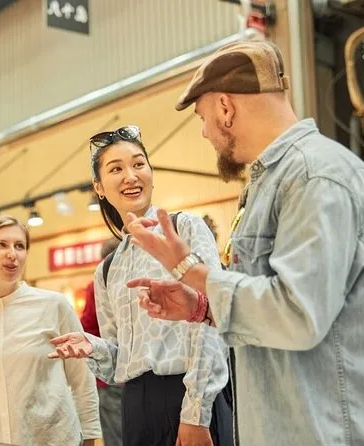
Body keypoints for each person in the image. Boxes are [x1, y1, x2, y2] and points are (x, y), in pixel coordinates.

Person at [125, 40, 364, 446]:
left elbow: (299, 314)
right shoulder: (274, 182)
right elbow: (278, 306)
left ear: (225, 108)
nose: (204, 132)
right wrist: (204, 308)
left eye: (202, 117)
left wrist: (191, 271)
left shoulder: (314, 176)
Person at [49, 126, 232, 446]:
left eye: (138, 164)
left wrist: (196, 413)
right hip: (135, 407)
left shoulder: (184, 228)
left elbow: (210, 322)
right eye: (116, 169)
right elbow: (119, 362)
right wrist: (92, 347)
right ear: (98, 187)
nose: (130, 176)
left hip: (188, 396)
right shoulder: (108, 269)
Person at [0, 216, 101, 446]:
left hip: (51, 439)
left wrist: (91, 435)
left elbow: (82, 378)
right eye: (1, 245)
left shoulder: (54, 306)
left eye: (19, 246)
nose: (12, 254)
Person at [80, 238, 123, 446]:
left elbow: (87, 324)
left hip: (108, 375)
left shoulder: (99, 283)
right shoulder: (135, 280)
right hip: (138, 378)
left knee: (116, 436)